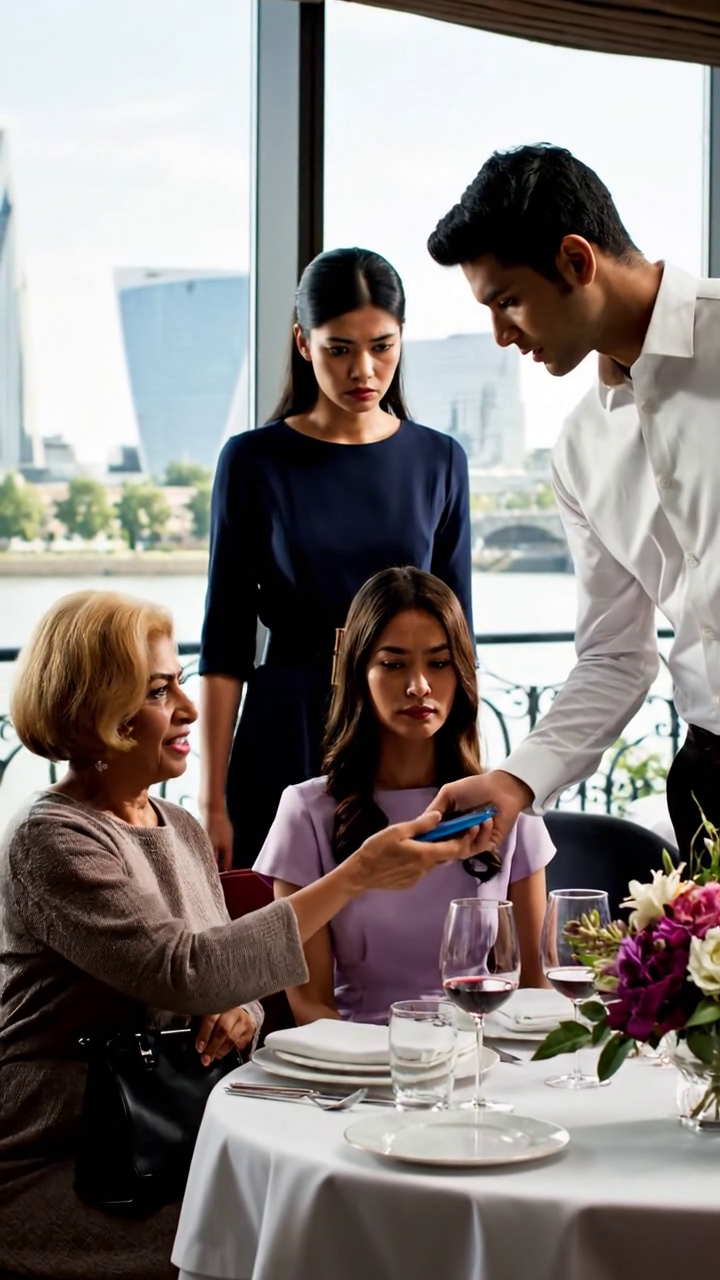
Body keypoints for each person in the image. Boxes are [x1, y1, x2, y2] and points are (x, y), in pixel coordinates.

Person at [0, 589, 486, 1280]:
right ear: (94, 708)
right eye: (160, 691)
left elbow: (224, 983)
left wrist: (241, 1009)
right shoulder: (51, 839)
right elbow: (187, 971)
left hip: (180, 1139)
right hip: (67, 1162)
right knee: (300, 1239)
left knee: (348, 1217)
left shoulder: (182, 829)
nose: (191, 710)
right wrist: (355, 874)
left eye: (179, 684)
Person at [426, 142, 720, 861]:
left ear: (576, 261)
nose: (501, 334)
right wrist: (517, 780)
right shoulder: (581, 447)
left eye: (509, 301)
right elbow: (618, 655)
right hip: (712, 776)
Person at [199, 247, 473, 870]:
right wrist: (211, 799)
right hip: (287, 723)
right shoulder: (253, 461)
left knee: (403, 921)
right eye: (340, 348)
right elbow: (225, 643)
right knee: (278, 942)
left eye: (382, 346)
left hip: (404, 724)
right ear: (303, 343)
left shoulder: (440, 460)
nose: (364, 370)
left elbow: (461, 640)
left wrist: (470, 767)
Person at [254, 568, 554, 1025]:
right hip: (360, 1067)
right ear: (359, 673)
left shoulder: (511, 808)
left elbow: (535, 989)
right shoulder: (307, 813)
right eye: (394, 664)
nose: (419, 686)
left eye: (438, 663)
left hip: (481, 1059)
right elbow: (311, 1007)